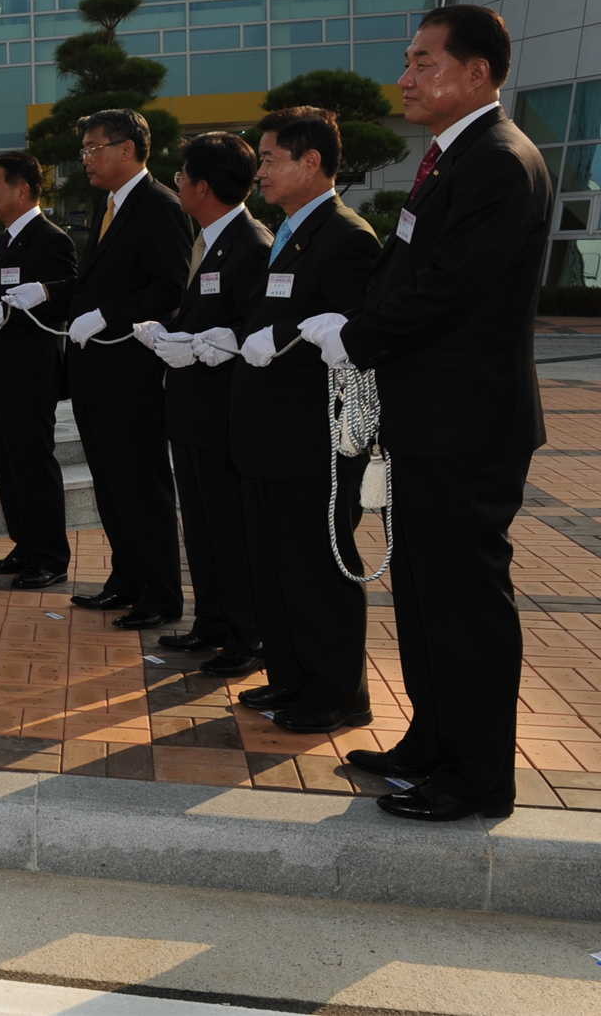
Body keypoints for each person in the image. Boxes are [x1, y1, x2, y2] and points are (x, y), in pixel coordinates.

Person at [304, 6, 554, 823]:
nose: (405, 78)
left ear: (476, 73)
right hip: (430, 419)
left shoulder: (498, 162)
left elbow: (451, 288)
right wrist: (355, 322)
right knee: (423, 594)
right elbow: (406, 273)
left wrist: (358, 338)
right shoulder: (450, 159)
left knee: (466, 603)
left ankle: (479, 778)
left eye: (423, 63)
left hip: (468, 423)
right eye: (408, 63)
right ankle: (432, 744)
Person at [216, 109, 380, 734]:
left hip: (311, 440)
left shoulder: (346, 236)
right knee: (275, 566)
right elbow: (263, 316)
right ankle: (290, 679)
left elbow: (352, 328)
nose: (260, 170)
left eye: (268, 158)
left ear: (311, 162)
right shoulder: (288, 232)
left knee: (317, 568)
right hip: (265, 438)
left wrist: (283, 334)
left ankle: (338, 691)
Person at [52, 110, 194, 629]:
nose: (85, 159)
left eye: (93, 148)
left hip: (132, 374)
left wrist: (106, 315)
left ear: (128, 149)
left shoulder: (159, 207)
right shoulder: (108, 204)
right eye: (84, 149)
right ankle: (126, 578)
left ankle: (160, 593)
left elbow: (168, 289)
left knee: (142, 487)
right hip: (96, 373)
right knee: (111, 485)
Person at [134, 132, 270, 676]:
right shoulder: (211, 239)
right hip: (191, 412)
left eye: (183, 176)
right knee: (203, 527)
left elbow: (253, 326)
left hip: (223, 416)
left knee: (228, 531)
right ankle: (211, 623)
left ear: (204, 186)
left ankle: (246, 635)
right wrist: (167, 332)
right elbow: (200, 316)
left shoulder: (251, 243)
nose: (179, 184)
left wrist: (206, 344)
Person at [0, 151, 76, 589]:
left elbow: (70, 294)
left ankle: (50, 554)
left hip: (30, 375)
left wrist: (43, 293)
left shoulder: (51, 239)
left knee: (33, 464)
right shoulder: (6, 239)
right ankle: (25, 543)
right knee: (7, 465)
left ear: (22, 190)